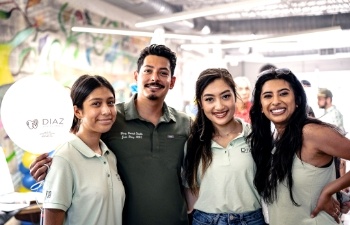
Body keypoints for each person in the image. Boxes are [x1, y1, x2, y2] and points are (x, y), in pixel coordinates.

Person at [30, 44, 191, 225]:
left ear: (172, 81)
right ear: (136, 77)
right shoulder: (113, 120)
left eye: (163, 72)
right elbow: (77, 142)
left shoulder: (186, 124)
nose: (154, 78)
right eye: (148, 70)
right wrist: (49, 167)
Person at [248, 67, 350, 225]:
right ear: (261, 105)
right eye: (268, 96)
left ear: (297, 100)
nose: (275, 101)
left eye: (283, 93)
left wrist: (329, 191)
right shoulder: (275, 137)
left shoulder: (311, 132)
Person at [183, 68, 266, 225]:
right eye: (209, 99)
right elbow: (190, 194)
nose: (219, 106)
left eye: (226, 96)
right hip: (206, 220)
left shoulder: (255, 136)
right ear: (200, 103)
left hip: (252, 220)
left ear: (235, 96)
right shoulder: (194, 143)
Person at [42, 75, 125, 225]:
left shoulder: (110, 156)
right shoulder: (65, 157)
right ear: (78, 112)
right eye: (96, 104)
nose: (106, 110)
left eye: (110, 102)